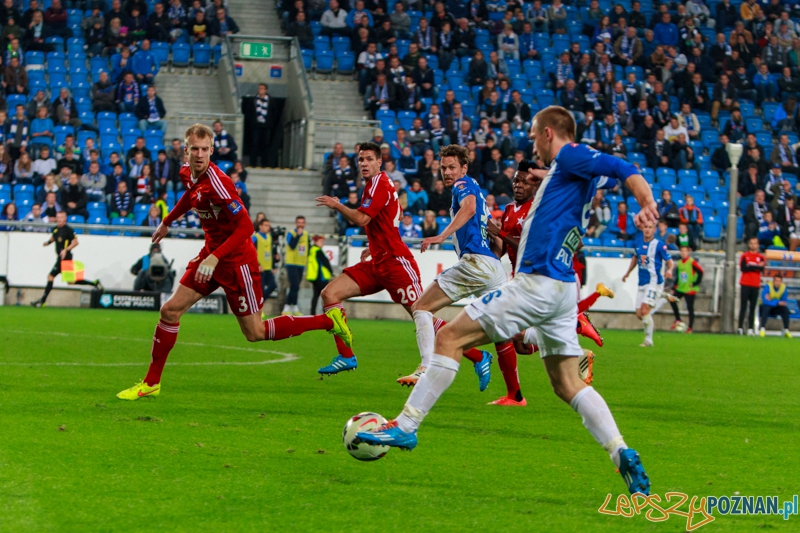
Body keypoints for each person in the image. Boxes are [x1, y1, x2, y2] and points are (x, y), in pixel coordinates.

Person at [357, 107, 656, 497]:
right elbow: (592, 176)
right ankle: (621, 452)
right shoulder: (568, 174)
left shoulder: (569, 154)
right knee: (567, 384)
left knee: (449, 340)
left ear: (549, 133)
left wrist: (646, 202)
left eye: (535, 136)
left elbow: (621, 166)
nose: (533, 143)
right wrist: (544, 176)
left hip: (536, 281)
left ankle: (407, 425)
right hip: (563, 288)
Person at [116, 124, 351, 400]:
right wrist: (167, 222)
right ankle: (151, 382)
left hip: (237, 261)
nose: (200, 154)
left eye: (205, 150)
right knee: (169, 310)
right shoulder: (187, 173)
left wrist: (216, 257)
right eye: (195, 149)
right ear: (186, 150)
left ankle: (327, 321)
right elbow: (190, 197)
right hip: (211, 255)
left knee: (255, 332)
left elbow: (246, 228)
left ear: (212, 151)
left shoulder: (219, 183)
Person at [30, 211, 103, 306]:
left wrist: (66, 250)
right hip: (60, 258)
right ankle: (94, 283)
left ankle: (42, 301)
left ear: (65, 219)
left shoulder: (68, 230)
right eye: (58, 217)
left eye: (61, 217)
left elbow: (76, 242)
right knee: (71, 282)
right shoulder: (55, 229)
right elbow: (54, 237)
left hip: (66, 258)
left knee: (51, 277)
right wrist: (48, 243)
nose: (59, 219)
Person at [622, 218, 674, 347]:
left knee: (645, 311)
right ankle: (661, 298)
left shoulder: (659, 245)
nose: (647, 229)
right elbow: (635, 257)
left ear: (654, 230)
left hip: (654, 281)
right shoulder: (638, 242)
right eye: (645, 227)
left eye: (650, 227)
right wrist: (627, 273)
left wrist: (670, 269)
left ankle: (648, 340)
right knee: (640, 314)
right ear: (642, 229)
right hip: (642, 282)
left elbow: (669, 260)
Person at [666, 246, 703, 333]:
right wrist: (674, 287)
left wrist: (695, 283)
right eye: (682, 251)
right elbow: (678, 276)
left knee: (690, 308)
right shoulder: (679, 263)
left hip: (690, 289)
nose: (683, 253)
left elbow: (701, 271)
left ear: (688, 252)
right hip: (681, 287)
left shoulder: (692, 262)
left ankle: (690, 327)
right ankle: (678, 319)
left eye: (685, 251)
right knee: (671, 299)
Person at [281, 215, 308, 316]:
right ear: (296, 223)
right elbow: (292, 245)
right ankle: (288, 306)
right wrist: (298, 235)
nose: (301, 224)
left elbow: (306, 248)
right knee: (295, 285)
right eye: (299, 222)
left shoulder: (306, 234)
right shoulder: (291, 234)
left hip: (301, 264)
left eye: (302, 222)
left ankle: (293, 307)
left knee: (295, 287)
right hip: (291, 263)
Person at [252, 218, 277, 317]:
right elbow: (251, 252)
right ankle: (258, 310)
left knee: (273, 286)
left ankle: (258, 306)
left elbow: (271, 252)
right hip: (259, 269)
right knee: (260, 289)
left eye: (268, 225)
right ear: (260, 226)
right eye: (265, 225)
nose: (267, 227)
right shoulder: (255, 237)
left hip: (268, 268)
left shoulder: (269, 237)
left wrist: (273, 265)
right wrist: (257, 264)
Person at [759, 273, 793, 338]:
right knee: (766, 308)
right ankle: (762, 328)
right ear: (773, 281)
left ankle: (786, 330)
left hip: (775, 307)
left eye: (779, 281)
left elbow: (784, 302)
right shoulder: (768, 286)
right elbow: (765, 301)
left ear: (781, 282)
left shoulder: (783, 288)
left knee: (785, 309)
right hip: (765, 307)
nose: (777, 283)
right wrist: (777, 302)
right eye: (776, 281)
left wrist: (772, 300)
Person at [307, 234, 333, 315]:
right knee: (325, 296)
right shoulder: (318, 251)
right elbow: (325, 262)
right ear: (315, 241)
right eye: (321, 241)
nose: (322, 243)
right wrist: (331, 271)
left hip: (315, 277)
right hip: (320, 277)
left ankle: (313, 313)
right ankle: (326, 313)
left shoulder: (312, 250)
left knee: (316, 296)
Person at [247, 83, 271, 168]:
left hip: (266, 126)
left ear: (265, 90)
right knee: (254, 144)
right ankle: (253, 163)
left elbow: (274, 113)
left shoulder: (270, 100)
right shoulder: (254, 100)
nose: (259, 90)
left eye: (261, 88)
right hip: (256, 126)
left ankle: (265, 164)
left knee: (265, 145)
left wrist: (269, 123)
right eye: (259, 88)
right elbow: (249, 112)